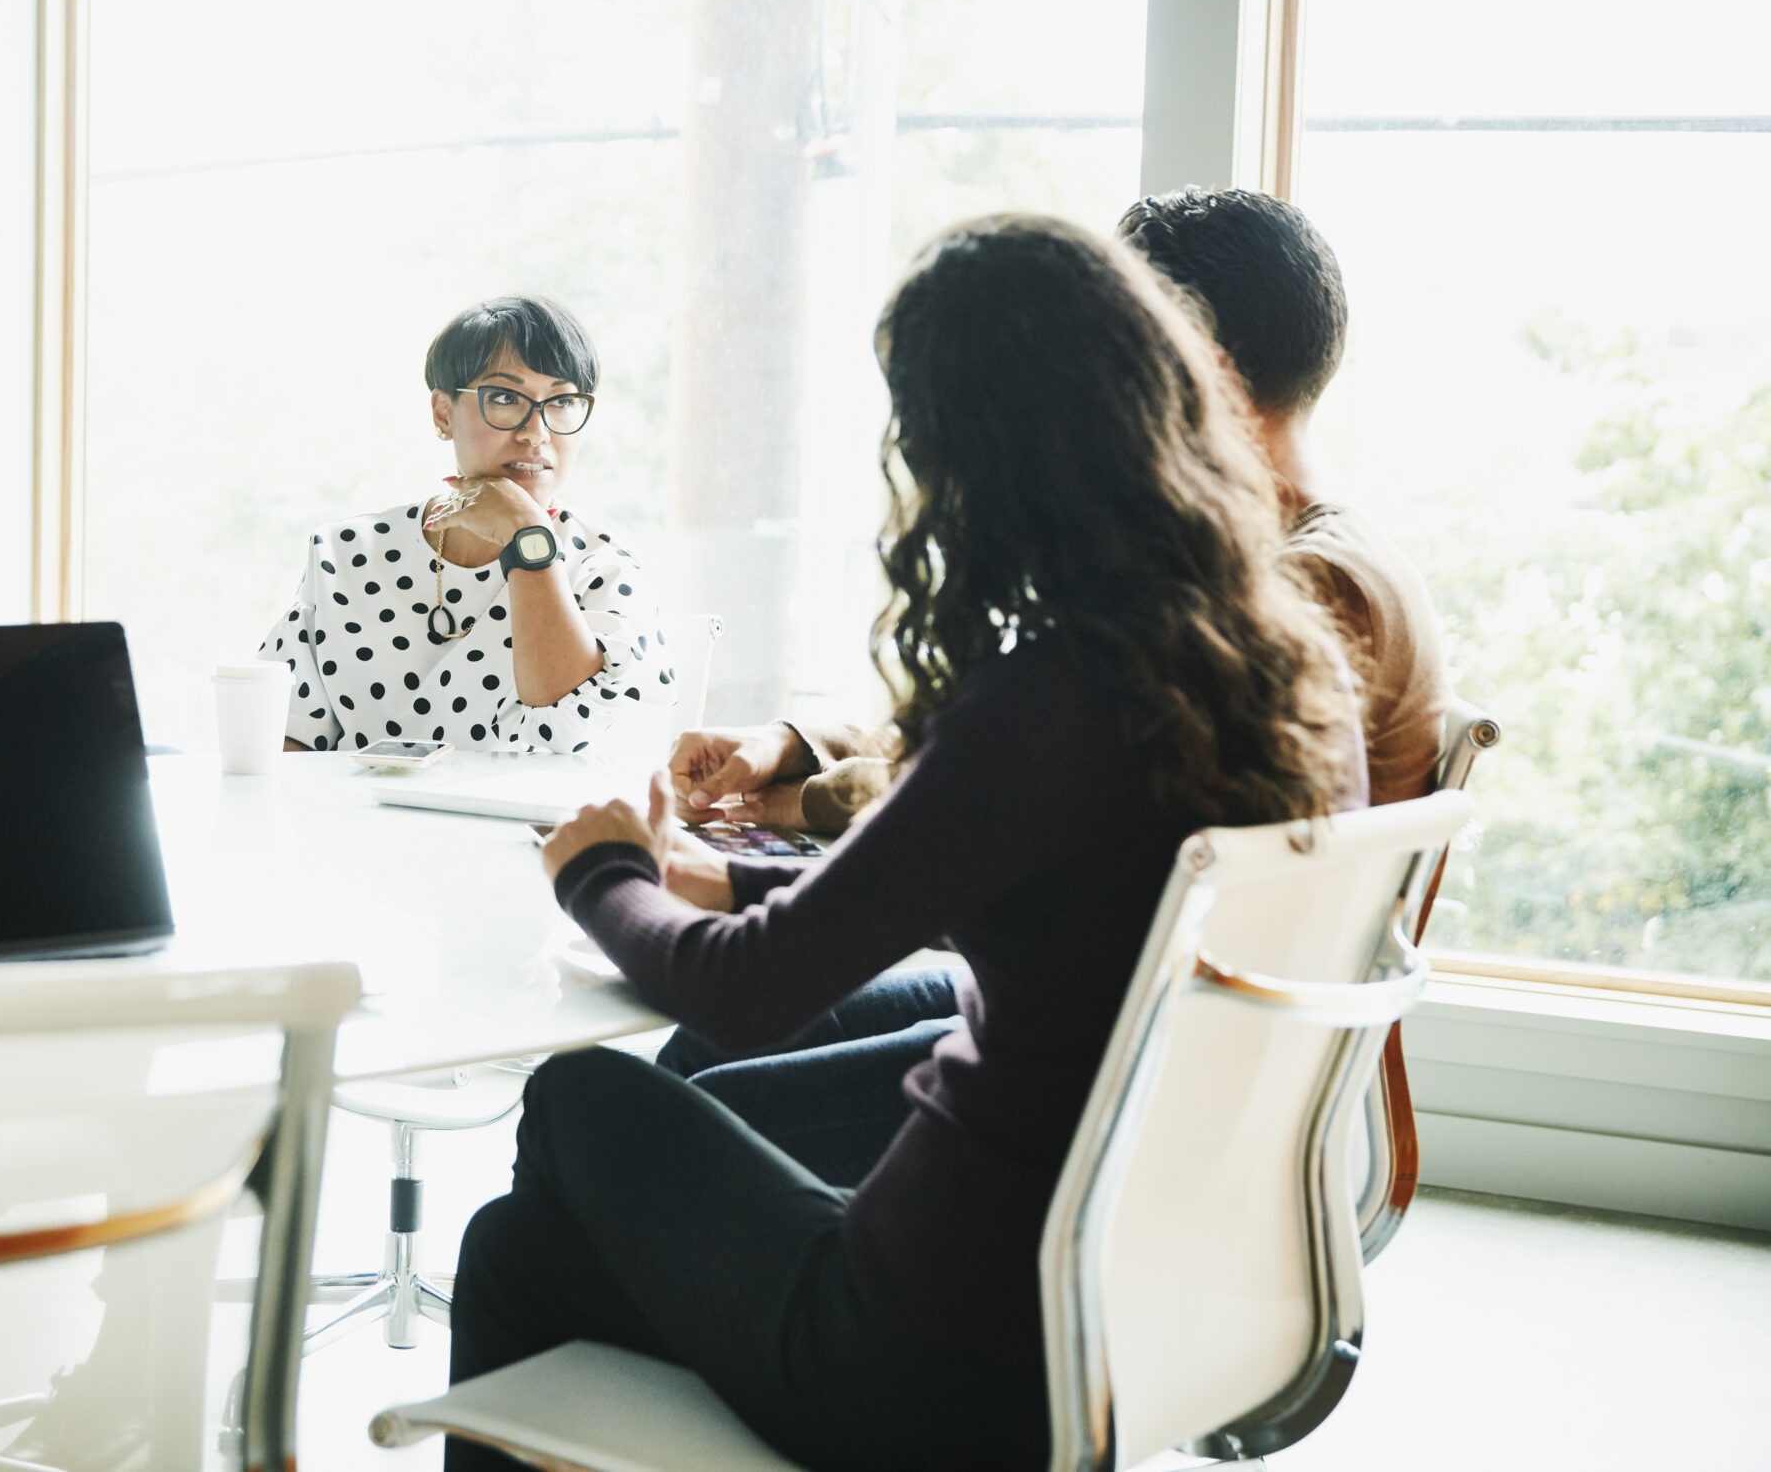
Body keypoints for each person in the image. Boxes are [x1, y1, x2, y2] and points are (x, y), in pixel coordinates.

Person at [447, 215, 1367, 1471]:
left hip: (927, 1355)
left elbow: (750, 989)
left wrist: (598, 869)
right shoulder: (1277, 675)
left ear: (970, 456)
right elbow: (1004, 888)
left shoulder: (1052, 695)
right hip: (1109, 1320)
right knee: (519, 1248)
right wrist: (738, 874)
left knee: (574, 1098)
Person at [675, 185, 1446, 828]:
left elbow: (1013, 788)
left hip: (1159, 1002)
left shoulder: (1298, 591)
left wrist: (796, 802)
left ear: (1190, 367)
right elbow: (1001, 746)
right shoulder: (1290, 558)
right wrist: (797, 744)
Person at [255, 294, 668, 754]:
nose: (536, 432)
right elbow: (285, 736)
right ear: (443, 413)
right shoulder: (346, 553)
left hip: (529, 827)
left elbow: (571, 728)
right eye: (506, 398)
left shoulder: (605, 572)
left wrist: (527, 537)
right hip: (356, 822)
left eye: (563, 401)